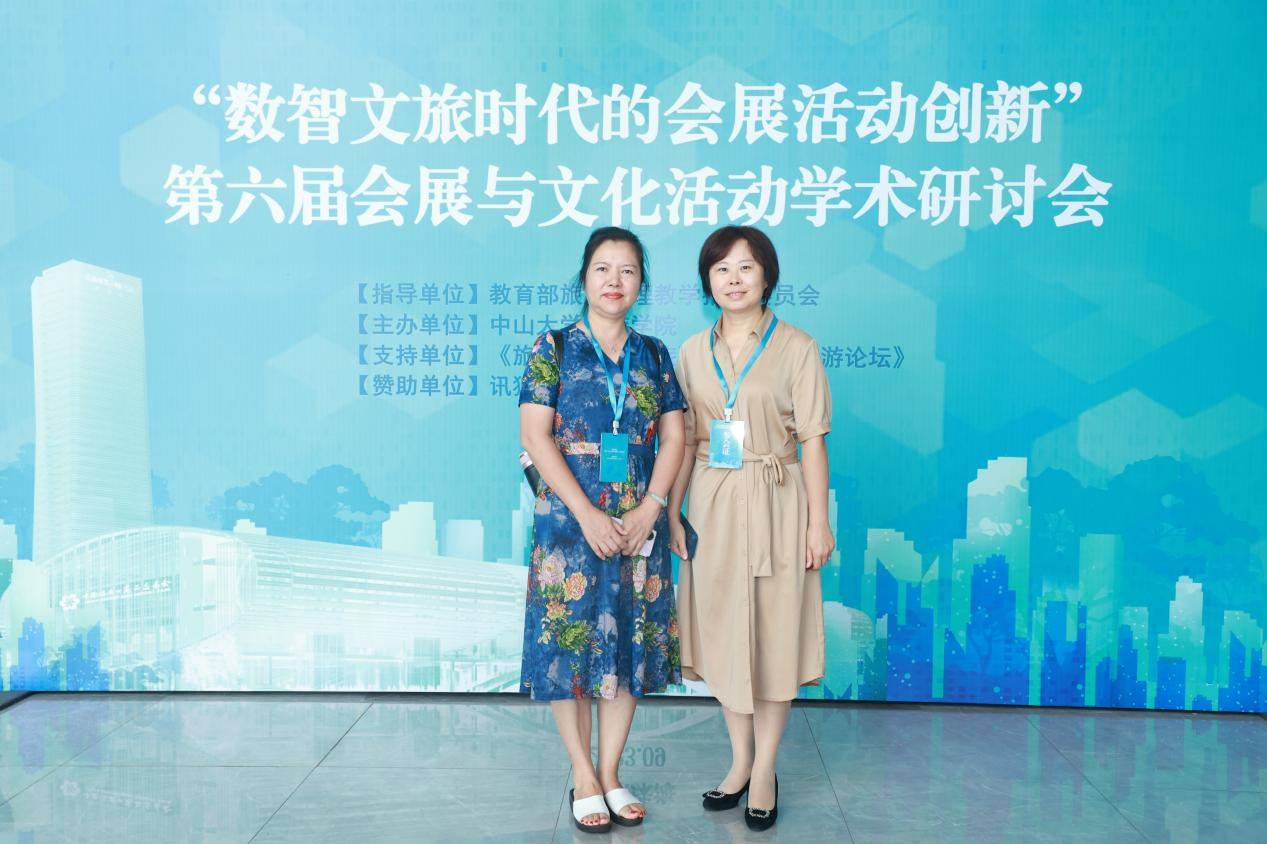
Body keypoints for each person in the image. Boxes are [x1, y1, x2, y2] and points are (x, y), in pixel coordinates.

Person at [518, 227, 687, 833]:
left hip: (638, 526)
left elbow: (675, 436)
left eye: (628, 271)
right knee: (570, 649)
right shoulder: (554, 346)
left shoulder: (655, 354)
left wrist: (652, 508)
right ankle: (583, 775)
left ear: (642, 283)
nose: (614, 281)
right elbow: (534, 435)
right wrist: (588, 515)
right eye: (603, 269)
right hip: (570, 525)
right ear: (584, 277)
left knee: (627, 648)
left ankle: (611, 773)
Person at [667, 225, 834, 832]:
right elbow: (685, 441)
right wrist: (673, 513)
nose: (733, 279)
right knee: (724, 634)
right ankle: (739, 760)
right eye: (721, 269)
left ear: (767, 275)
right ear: (707, 282)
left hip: (776, 502)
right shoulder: (691, 351)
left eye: (745, 267)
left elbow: (812, 440)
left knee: (772, 635)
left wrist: (818, 523)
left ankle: (765, 769)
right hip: (712, 504)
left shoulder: (797, 346)